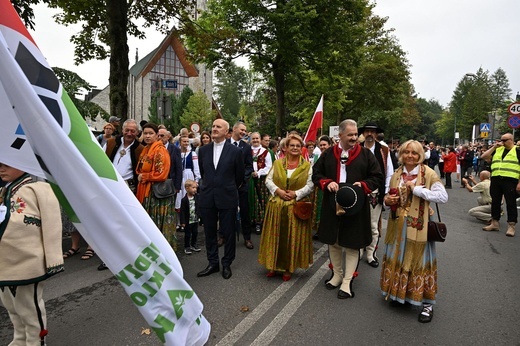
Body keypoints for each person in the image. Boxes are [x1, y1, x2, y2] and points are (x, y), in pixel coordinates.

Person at [312, 119, 383, 299]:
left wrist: (364, 185)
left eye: (355, 134)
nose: (354, 138)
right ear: (340, 135)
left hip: (356, 206)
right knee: (333, 241)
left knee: (352, 244)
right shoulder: (327, 154)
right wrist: (326, 183)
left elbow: (377, 176)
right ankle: (337, 275)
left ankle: (347, 281)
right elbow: (316, 174)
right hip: (332, 203)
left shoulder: (366, 155)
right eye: (350, 135)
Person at [381, 140, 448, 323]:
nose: (410, 156)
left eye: (414, 153)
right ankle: (400, 295)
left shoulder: (428, 173)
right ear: (401, 154)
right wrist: (388, 200)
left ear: (420, 156)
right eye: (406, 152)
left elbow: (442, 197)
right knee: (400, 259)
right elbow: (388, 198)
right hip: (398, 226)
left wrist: (417, 189)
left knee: (420, 262)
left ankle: (427, 304)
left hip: (419, 225)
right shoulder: (396, 174)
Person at [0, 163, 64, 345]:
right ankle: (20, 338)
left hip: (27, 261)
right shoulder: (5, 190)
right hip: (5, 262)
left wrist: (53, 259)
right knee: (11, 306)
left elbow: (52, 224)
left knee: (29, 308)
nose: (1, 169)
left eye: (6, 165)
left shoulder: (38, 190)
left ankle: (37, 341)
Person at [258, 134, 314, 281]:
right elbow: (268, 180)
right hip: (277, 205)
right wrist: (279, 191)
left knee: (291, 239)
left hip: (295, 207)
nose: (295, 148)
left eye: (297, 146)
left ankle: (288, 268)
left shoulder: (307, 166)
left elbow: (310, 185)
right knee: (274, 236)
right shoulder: (277, 163)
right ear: (286, 148)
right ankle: (273, 266)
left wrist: (296, 193)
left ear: (301, 148)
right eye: (292, 145)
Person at [197, 119, 245, 279]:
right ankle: (213, 263)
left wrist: (227, 187)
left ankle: (226, 263)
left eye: (218, 127)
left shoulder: (235, 151)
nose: (214, 129)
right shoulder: (203, 150)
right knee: (209, 232)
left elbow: (239, 177)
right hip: (208, 196)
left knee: (229, 232)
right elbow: (204, 173)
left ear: (226, 132)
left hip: (227, 196)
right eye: (213, 126)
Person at [97, 119, 145, 270]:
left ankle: (127, 254)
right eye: (127, 130)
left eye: (133, 131)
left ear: (137, 133)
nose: (130, 133)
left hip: (128, 188)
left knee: (125, 222)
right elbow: (101, 161)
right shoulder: (111, 143)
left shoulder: (140, 148)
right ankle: (109, 256)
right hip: (110, 186)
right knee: (108, 221)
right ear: (122, 130)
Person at [359, 122, 394, 268]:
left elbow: (389, 173)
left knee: (373, 225)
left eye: (372, 132)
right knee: (358, 223)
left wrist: (386, 192)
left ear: (376, 134)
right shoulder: (357, 149)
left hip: (376, 193)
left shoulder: (384, 150)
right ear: (363, 133)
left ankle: (370, 253)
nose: (369, 134)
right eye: (367, 131)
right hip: (359, 192)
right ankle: (358, 250)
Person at [136, 123, 176, 249]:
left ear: (157, 135)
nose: (147, 136)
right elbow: (139, 168)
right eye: (145, 133)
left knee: (157, 224)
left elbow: (161, 174)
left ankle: (162, 251)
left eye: (150, 133)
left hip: (156, 195)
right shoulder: (145, 149)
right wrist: (141, 175)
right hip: (146, 190)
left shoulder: (160, 150)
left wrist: (145, 177)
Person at [480, 133, 520, 236]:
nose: (501, 142)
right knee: (495, 202)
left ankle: (511, 226)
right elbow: (484, 157)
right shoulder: (498, 149)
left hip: (510, 180)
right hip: (496, 179)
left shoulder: (517, 151)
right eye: (501, 140)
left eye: (504, 140)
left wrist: (519, 183)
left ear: (511, 140)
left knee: (511, 203)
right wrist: (494, 146)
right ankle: (495, 223)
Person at [227, 122, 254, 247]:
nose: (244, 132)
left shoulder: (247, 147)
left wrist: (242, 180)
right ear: (235, 129)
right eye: (242, 130)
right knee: (225, 211)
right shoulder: (225, 145)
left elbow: (249, 166)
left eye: (245, 130)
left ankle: (247, 237)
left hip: (241, 186)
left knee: (244, 211)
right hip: (226, 185)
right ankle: (223, 236)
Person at [248, 132, 272, 240]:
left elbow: (269, 166)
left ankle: (259, 222)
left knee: (260, 200)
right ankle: (250, 220)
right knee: (250, 199)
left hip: (260, 180)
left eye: (257, 138)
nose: (255, 140)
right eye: (253, 139)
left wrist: (259, 172)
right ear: (250, 139)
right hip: (249, 179)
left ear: (260, 139)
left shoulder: (265, 152)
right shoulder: (247, 151)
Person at [175, 135, 201, 229]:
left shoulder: (192, 154)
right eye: (184, 141)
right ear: (180, 142)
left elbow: (196, 167)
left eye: (187, 142)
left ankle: (188, 221)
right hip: (179, 177)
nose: (186, 143)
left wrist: (196, 179)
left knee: (188, 199)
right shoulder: (177, 152)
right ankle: (178, 222)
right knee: (179, 199)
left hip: (188, 175)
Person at [157, 128, 183, 196]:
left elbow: (178, 168)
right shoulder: (155, 149)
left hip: (171, 182)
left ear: (168, 137)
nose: (159, 138)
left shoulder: (175, 149)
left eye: (162, 136)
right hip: (157, 183)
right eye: (158, 136)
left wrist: (177, 186)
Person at [180, 179, 201, 255]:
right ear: (187, 188)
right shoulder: (184, 200)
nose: (195, 189)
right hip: (188, 221)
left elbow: (199, 207)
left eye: (196, 187)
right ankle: (187, 246)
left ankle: (193, 244)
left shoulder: (197, 197)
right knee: (188, 234)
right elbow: (182, 211)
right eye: (193, 187)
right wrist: (182, 222)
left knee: (195, 232)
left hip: (195, 219)